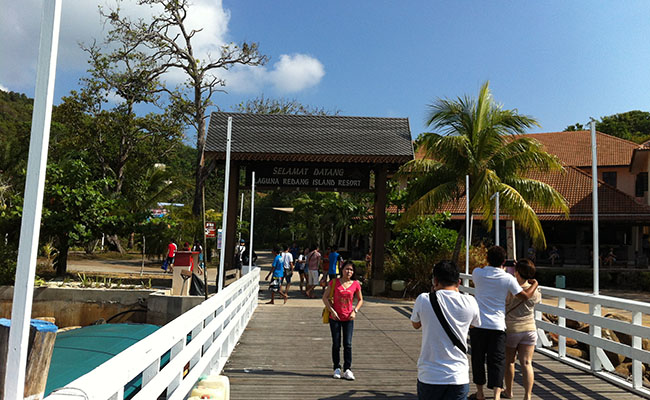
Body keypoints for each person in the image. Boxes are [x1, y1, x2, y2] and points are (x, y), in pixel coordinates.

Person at [470, 246, 539, 400]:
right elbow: (525, 296)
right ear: (503, 261)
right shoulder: (507, 278)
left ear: (487, 259)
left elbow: (486, 272)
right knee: (497, 361)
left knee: (478, 359)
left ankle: (480, 393)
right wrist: (534, 283)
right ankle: (496, 396)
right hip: (497, 326)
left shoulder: (477, 273)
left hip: (478, 324)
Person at [411, 260, 480, 400]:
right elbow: (474, 325)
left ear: (435, 280)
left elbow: (416, 324)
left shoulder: (424, 299)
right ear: (459, 282)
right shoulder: (470, 301)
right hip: (458, 375)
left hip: (430, 375)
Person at [503, 259, 542, 400]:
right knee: (527, 363)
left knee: (510, 362)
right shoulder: (536, 289)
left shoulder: (510, 288)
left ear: (517, 272)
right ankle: (528, 395)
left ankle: (509, 391)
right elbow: (536, 301)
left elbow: (505, 302)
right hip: (530, 328)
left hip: (512, 328)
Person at [322, 261, 363, 380]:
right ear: (342, 270)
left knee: (348, 344)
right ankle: (337, 368)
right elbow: (325, 297)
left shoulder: (355, 284)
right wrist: (332, 311)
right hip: (335, 317)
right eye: (346, 269)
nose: (348, 271)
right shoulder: (334, 282)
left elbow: (360, 300)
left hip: (349, 317)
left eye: (351, 270)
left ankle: (348, 369)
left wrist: (355, 311)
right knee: (336, 343)